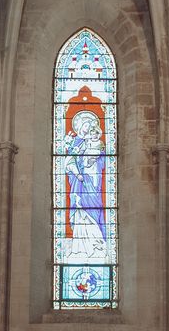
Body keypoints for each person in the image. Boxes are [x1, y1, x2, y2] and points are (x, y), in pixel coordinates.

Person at [64, 111, 107, 262]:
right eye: (85, 127)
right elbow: (69, 162)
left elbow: (101, 161)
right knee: (80, 210)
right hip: (80, 183)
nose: (87, 131)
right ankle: (80, 248)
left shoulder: (99, 145)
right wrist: (78, 171)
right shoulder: (78, 144)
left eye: (90, 128)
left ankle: (97, 245)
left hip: (93, 181)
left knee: (94, 206)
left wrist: (92, 160)